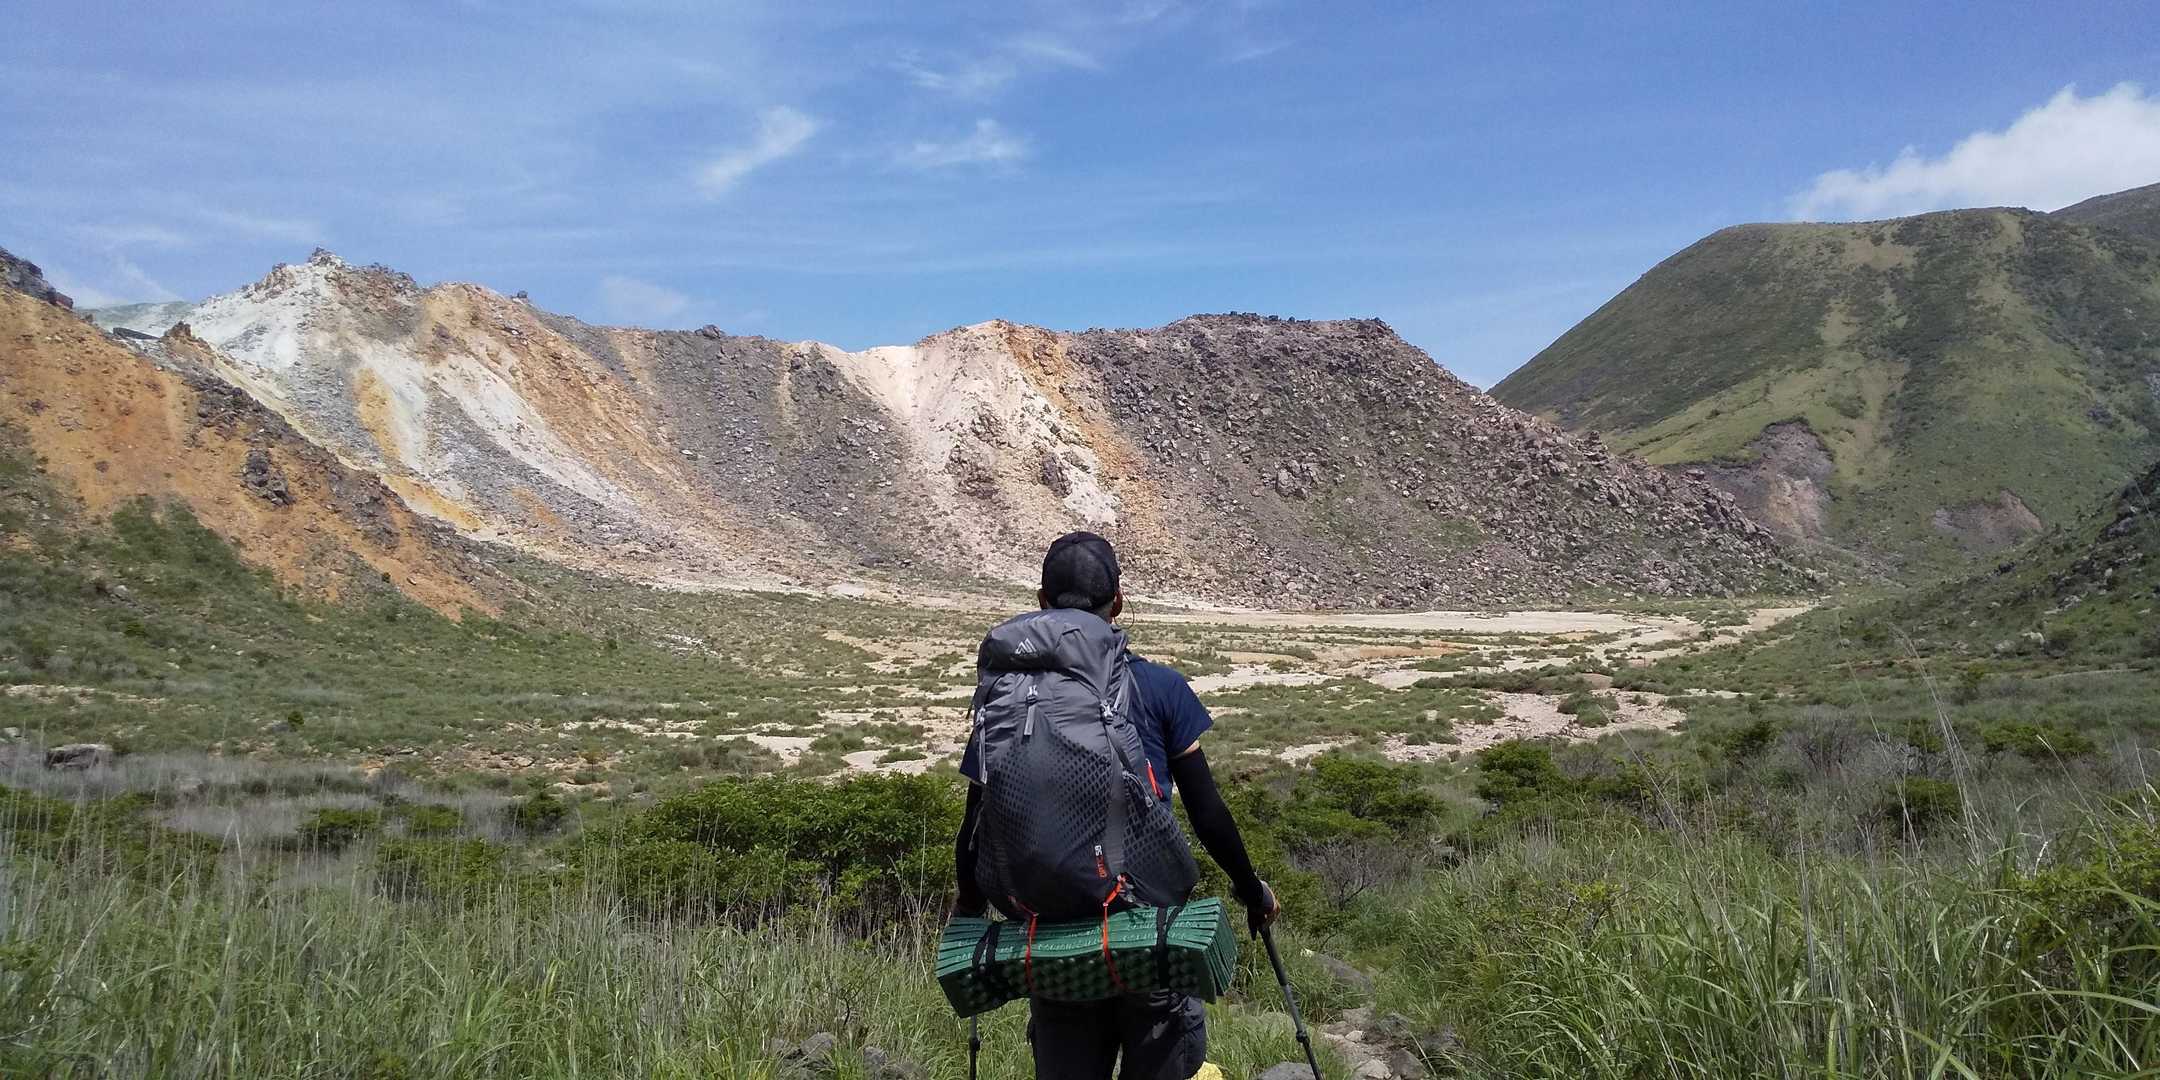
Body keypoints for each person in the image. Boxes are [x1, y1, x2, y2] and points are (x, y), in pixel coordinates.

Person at [954, 531, 1279, 1080]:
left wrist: (968, 909)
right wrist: (1252, 890)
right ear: (1119, 603)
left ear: (1041, 602)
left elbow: (974, 826)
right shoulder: (1158, 686)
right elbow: (1207, 812)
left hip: (1052, 935)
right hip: (1144, 929)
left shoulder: (1008, 700)